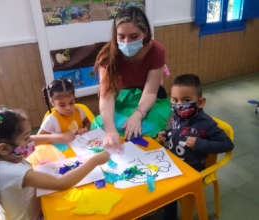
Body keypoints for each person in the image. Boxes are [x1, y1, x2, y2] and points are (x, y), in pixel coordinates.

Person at [0, 108, 110, 220]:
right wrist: (94, 160)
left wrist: (58, 137)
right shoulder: (12, 172)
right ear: (3, 148)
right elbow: (61, 183)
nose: (31, 141)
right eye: (26, 138)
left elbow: (33, 139)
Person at [158, 74, 234, 219]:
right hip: (174, 164)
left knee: (167, 191)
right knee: (160, 186)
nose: (179, 105)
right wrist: (167, 134)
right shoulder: (176, 116)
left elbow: (227, 144)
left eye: (186, 100)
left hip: (193, 171)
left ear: (200, 102)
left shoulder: (206, 124)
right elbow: (177, 132)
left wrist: (200, 143)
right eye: (175, 100)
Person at [95, 6, 167, 148]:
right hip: (122, 100)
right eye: (121, 36)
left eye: (134, 36)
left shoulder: (157, 51)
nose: (127, 42)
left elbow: (151, 91)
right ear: (115, 35)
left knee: (146, 129)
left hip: (147, 101)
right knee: (100, 126)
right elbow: (106, 95)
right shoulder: (107, 56)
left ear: (145, 33)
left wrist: (138, 114)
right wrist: (110, 131)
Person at [38, 78, 90, 143]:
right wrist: (58, 137)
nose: (68, 108)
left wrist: (85, 129)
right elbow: (38, 138)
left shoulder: (78, 111)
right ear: (52, 103)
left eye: (71, 103)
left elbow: (87, 122)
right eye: (62, 105)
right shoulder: (52, 120)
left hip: (80, 148)